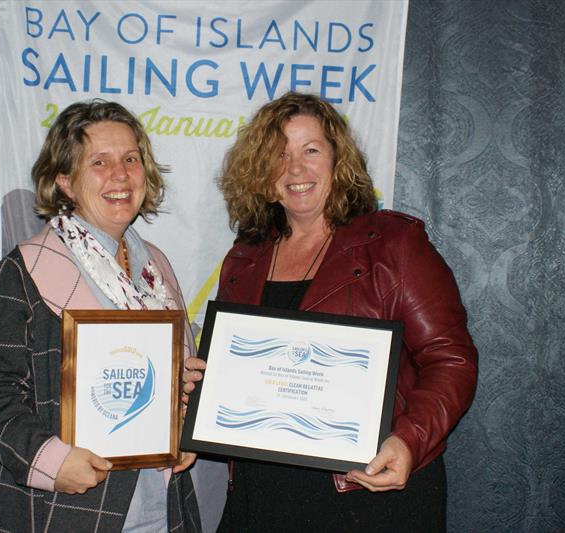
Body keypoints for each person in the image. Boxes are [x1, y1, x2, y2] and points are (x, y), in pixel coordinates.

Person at [184, 92, 478, 532]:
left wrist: (409, 441)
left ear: (338, 160)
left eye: (311, 150)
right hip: (260, 494)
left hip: (368, 491)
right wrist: (202, 386)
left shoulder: (393, 246)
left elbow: (450, 358)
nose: (296, 169)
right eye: (279, 155)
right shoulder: (244, 256)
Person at [0, 100, 226, 532]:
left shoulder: (155, 268)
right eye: (99, 162)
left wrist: (184, 421)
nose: (120, 175)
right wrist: (49, 460)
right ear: (64, 180)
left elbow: (176, 379)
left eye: (130, 159)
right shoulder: (25, 269)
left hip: (161, 503)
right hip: (66, 509)